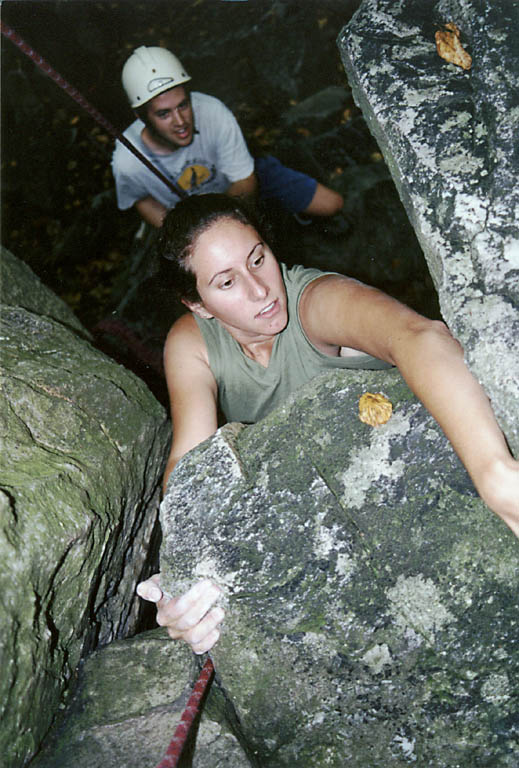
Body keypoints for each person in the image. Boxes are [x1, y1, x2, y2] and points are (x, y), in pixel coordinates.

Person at [137, 193, 519, 654]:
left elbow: (419, 336)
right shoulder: (192, 342)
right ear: (199, 305)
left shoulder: (313, 301)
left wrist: (496, 476)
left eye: (258, 258)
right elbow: (189, 461)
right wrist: (181, 577)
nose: (260, 289)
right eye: (226, 282)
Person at [111, 46, 344, 229]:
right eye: (164, 114)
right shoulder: (128, 160)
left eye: (183, 105)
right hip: (193, 214)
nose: (180, 121)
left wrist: (222, 221)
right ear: (141, 117)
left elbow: (245, 180)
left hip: (239, 179)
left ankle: (282, 207)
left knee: (333, 204)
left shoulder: (213, 111)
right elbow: (140, 199)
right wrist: (178, 230)